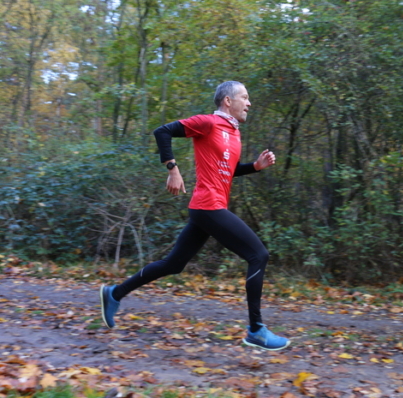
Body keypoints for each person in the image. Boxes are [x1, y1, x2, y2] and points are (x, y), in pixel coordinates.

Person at [100, 81, 290, 351]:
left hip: (208, 207)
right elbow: (162, 131)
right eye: (244, 97)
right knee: (258, 255)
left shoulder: (233, 132)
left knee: (173, 264)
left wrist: (255, 167)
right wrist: (172, 169)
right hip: (208, 206)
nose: (249, 103)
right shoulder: (208, 123)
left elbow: (229, 170)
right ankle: (256, 330)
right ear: (227, 101)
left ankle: (114, 293)